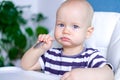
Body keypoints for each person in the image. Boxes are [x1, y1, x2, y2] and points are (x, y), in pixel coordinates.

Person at [21, 0, 114, 80]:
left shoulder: (90, 56)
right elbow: (26, 66)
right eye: (61, 25)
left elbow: (109, 74)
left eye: (75, 26)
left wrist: (84, 74)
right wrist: (39, 48)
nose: (65, 31)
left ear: (88, 32)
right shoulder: (50, 55)